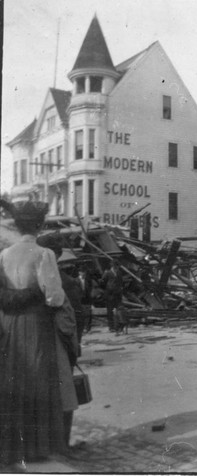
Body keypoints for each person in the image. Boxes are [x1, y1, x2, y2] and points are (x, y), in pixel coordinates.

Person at [0, 200, 67, 472]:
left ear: (16, 225)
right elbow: (54, 296)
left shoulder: (3, 255)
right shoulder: (43, 254)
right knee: (39, 381)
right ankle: (37, 448)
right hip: (36, 324)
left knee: (12, 381)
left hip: (9, 324)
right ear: (39, 226)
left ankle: (12, 448)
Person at [36, 235, 80, 448]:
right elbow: (76, 322)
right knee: (65, 393)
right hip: (64, 345)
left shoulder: (32, 279)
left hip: (39, 346)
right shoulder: (70, 283)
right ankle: (62, 443)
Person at [101, 260, 123, 332]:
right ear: (112, 266)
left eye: (117, 266)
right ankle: (111, 327)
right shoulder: (107, 273)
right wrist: (108, 288)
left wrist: (120, 289)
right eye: (115, 266)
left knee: (119, 310)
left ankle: (119, 326)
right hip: (109, 294)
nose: (116, 268)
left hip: (118, 294)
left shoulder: (119, 273)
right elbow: (103, 282)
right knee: (110, 311)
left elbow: (121, 282)